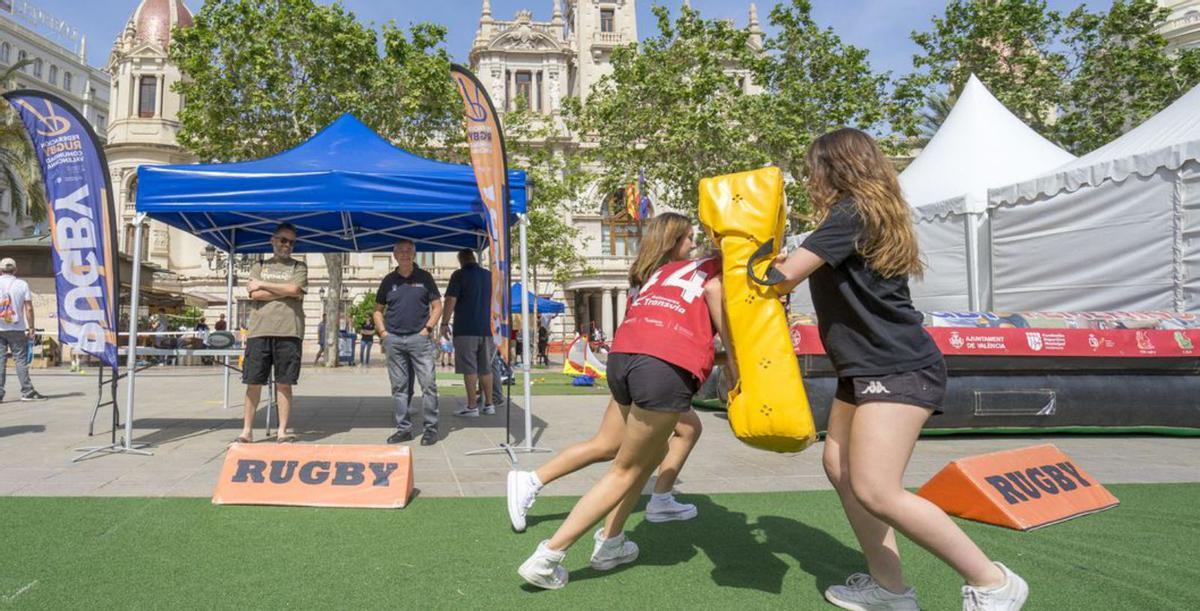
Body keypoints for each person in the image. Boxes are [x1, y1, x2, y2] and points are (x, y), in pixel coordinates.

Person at [769, 128, 1028, 610]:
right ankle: (889, 589)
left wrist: (737, 253)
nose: (810, 179)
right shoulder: (859, 215)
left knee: (875, 488)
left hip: (896, 366)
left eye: (814, 168)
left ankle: (992, 581)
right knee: (840, 468)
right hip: (864, 366)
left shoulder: (850, 212)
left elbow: (779, 280)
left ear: (834, 168)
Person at [518, 213, 733, 589]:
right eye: (689, 239)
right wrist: (738, 354)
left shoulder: (656, 273)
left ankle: (612, 541)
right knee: (626, 469)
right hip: (659, 367)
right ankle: (548, 556)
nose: (694, 243)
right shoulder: (714, 267)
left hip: (624, 357)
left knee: (642, 456)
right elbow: (713, 296)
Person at [506, 397, 703, 533]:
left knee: (608, 445)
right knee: (613, 450)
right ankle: (532, 481)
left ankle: (660, 499)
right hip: (655, 369)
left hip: (634, 362)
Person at [235, 222, 308, 444]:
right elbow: (255, 295)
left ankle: (282, 431)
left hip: (289, 331)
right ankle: (246, 431)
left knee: (284, 383)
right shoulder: (258, 265)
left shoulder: (299, 267)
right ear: (273, 240)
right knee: (253, 381)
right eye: (283, 240)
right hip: (259, 331)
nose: (287, 245)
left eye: (292, 242)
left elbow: (295, 289)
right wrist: (284, 291)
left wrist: (265, 286)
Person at [375, 238, 442, 447]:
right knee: (399, 388)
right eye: (400, 251)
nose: (404, 254)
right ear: (394, 255)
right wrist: (384, 333)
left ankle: (430, 429)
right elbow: (377, 310)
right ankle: (403, 429)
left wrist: (427, 329)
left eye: (408, 251)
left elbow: (437, 306)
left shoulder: (425, 278)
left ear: (413, 254)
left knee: (428, 385)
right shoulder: (388, 280)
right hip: (394, 340)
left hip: (419, 340)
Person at [441, 249, 495, 418]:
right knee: (486, 368)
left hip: (466, 328)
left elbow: (450, 300)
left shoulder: (459, 275)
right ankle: (489, 404)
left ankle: (472, 406)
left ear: (461, 260)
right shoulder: (489, 276)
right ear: (474, 258)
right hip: (487, 329)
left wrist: (444, 322)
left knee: (469, 368)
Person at [0, 257, 47, 402]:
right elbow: (29, 308)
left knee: (0, 360)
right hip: (17, 327)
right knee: (20, 360)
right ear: (15, 270)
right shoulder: (22, 284)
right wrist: (31, 327)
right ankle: (27, 391)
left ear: (1, 270)